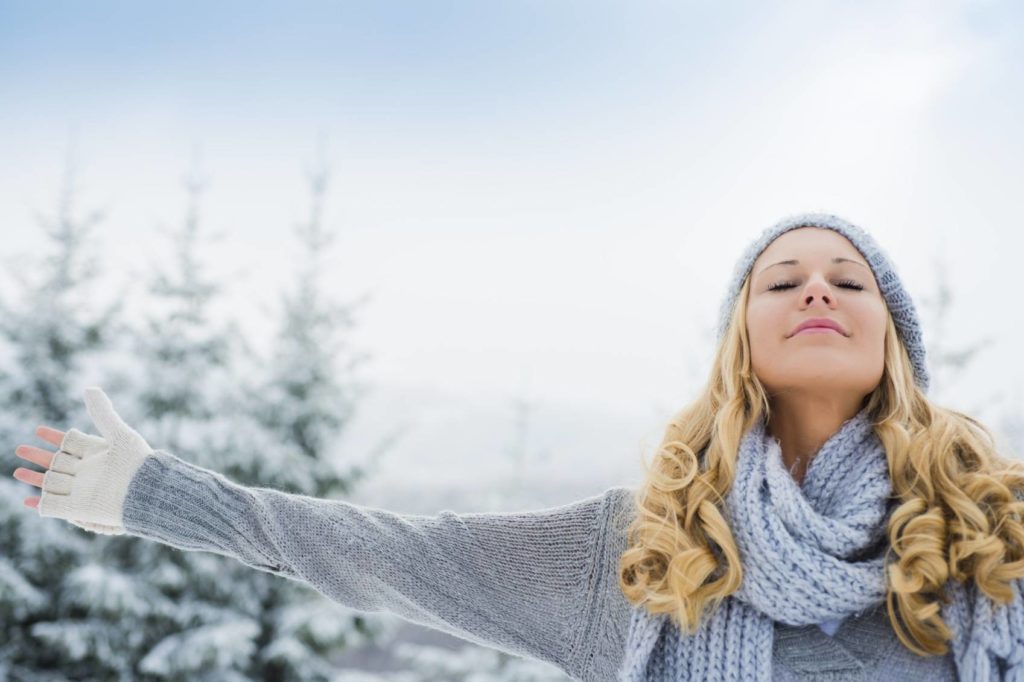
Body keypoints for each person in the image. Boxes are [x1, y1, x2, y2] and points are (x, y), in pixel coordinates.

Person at [13, 212, 1024, 681]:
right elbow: (393, 556)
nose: (816, 289)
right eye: (783, 278)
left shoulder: (999, 540)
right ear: (739, 346)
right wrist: (155, 493)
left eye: (848, 280)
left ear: (894, 340)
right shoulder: (641, 555)